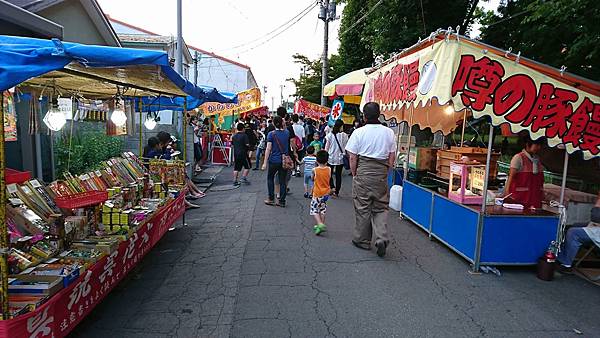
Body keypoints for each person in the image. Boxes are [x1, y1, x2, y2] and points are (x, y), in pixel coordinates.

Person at [345, 102, 396, 257]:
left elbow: (352, 157)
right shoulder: (388, 133)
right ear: (379, 114)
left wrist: (355, 173)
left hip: (363, 171)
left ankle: (362, 240)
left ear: (364, 116)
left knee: (363, 207)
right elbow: (392, 156)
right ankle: (381, 237)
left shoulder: (359, 132)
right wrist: (386, 171)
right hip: (381, 172)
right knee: (380, 207)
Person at [557, 195, 600, 274]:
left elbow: (595, 217)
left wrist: (598, 203)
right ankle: (562, 257)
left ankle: (566, 265)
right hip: (596, 227)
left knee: (573, 232)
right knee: (574, 226)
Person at [504, 136, 545, 208]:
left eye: (540, 145)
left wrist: (542, 195)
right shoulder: (518, 158)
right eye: (536, 145)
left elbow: (540, 181)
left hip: (535, 200)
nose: (538, 148)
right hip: (519, 199)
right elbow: (511, 176)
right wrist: (507, 193)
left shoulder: (537, 160)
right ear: (527, 144)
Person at [262, 116, 290, 207]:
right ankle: (282, 201)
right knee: (282, 181)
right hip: (283, 160)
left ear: (273, 123)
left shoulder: (271, 134)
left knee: (270, 178)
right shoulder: (287, 133)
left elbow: (268, 148)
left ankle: (271, 198)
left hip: (274, 160)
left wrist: (265, 162)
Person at [324, 119, 348, 197]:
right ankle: (336, 192)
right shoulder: (344, 135)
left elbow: (326, 148)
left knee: (329, 174)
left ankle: (332, 187)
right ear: (341, 126)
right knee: (338, 175)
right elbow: (346, 147)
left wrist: (324, 156)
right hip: (340, 158)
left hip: (330, 157)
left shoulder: (330, 135)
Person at [311, 150, 332, 235]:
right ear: (327, 160)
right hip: (326, 194)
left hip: (317, 193)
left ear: (316, 160)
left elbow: (312, 179)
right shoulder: (329, 169)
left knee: (314, 210)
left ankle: (319, 224)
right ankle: (321, 225)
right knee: (322, 210)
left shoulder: (315, 170)